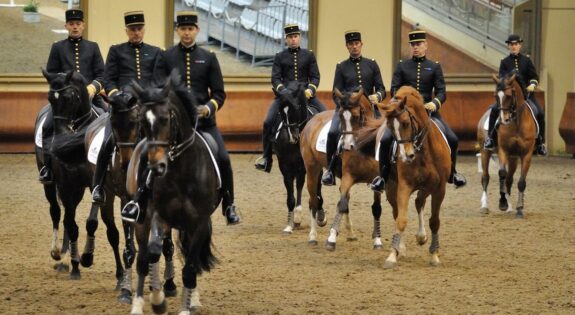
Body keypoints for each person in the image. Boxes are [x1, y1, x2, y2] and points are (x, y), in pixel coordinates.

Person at [121, 11, 240, 225]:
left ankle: (229, 203)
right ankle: (138, 200)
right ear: (177, 30)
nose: (187, 33)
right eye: (183, 29)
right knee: (147, 152)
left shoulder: (209, 57)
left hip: (203, 124)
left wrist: (208, 108)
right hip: (170, 125)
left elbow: (219, 93)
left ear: (197, 30)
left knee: (223, 156)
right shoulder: (166, 57)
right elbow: (157, 87)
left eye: (190, 29)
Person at [370, 29, 466, 192]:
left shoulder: (434, 67)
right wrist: (401, 104)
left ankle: (453, 173)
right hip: (404, 114)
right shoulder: (402, 66)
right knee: (386, 140)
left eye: (419, 44)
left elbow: (442, 91)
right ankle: (383, 177)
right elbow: (394, 90)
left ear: (426, 45)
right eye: (413, 45)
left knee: (453, 139)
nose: (416, 47)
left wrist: (434, 103)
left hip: (430, 114)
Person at [91, 11, 163, 204]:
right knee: (107, 141)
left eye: (139, 29)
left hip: (147, 108)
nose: (136, 33)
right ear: (126, 31)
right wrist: (116, 97)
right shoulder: (116, 50)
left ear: (144, 30)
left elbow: (159, 80)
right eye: (132, 30)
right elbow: (108, 79)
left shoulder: (156, 52)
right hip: (122, 109)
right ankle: (98, 186)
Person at [39, 9, 105, 184]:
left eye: (78, 24)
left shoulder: (93, 47)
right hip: (65, 101)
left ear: (83, 26)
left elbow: (102, 74)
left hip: (89, 97)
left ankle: (106, 167)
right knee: (47, 126)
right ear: (66, 26)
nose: (75, 27)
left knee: (109, 122)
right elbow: (52, 74)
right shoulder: (58, 47)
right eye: (71, 24)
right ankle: (47, 167)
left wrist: (93, 88)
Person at [254, 24, 326, 172]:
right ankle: (267, 157)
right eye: (290, 37)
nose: (293, 39)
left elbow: (315, 77)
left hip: (307, 97)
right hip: (285, 98)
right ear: (286, 39)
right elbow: (275, 79)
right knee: (268, 121)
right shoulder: (280, 57)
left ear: (299, 37)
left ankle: (327, 159)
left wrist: (309, 90)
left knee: (326, 118)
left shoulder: (309, 55)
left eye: (295, 36)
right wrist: (283, 92)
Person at [321, 30, 386, 186]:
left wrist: (377, 96)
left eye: (357, 44)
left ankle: (384, 172)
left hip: (369, 111)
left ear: (361, 45)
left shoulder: (372, 64)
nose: (354, 47)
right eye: (351, 44)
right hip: (346, 110)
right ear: (347, 47)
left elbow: (382, 88)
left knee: (385, 135)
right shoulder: (341, 67)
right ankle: (330, 170)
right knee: (332, 132)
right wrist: (344, 103)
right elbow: (335, 92)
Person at [483, 34, 547, 156]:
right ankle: (490, 138)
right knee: (495, 110)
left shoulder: (527, 61)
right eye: (511, 44)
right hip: (509, 97)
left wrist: (532, 84)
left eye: (516, 44)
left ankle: (540, 143)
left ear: (520, 45)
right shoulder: (505, 62)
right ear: (508, 46)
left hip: (527, 96)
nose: (514, 47)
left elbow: (534, 76)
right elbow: (502, 79)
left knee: (540, 113)